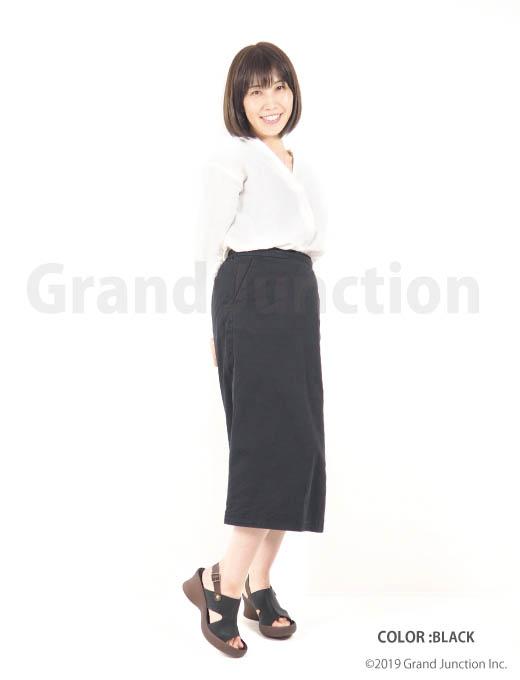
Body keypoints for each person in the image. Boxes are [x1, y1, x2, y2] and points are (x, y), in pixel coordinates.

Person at [183, 41, 327, 658]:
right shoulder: (232, 157)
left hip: (296, 295)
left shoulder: (297, 162)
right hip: (251, 293)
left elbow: (309, 242)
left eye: (280, 86)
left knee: (300, 446)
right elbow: (206, 246)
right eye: (256, 89)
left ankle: (258, 582)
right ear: (238, 100)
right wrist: (217, 330)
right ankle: (221, 582)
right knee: (267, 445)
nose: (271, 101)